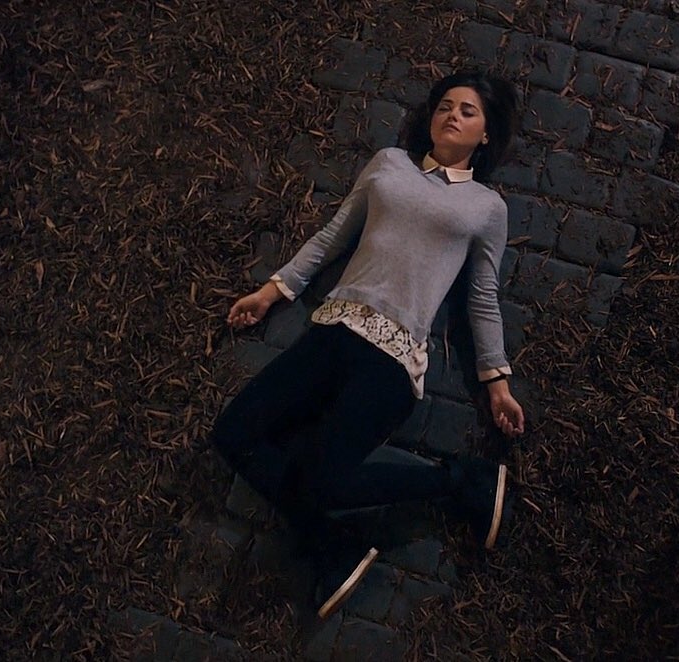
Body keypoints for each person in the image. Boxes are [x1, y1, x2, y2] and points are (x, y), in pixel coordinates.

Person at [210, 71, 526, 620]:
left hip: (392, 358)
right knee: (233, 433)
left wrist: (496, 382)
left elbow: (481, 297)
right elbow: (334, 235)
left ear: (485, 134)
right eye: (445, 105)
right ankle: (334, 543)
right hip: (331, 333)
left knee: (323, 479)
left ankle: (458, 481)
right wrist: (272, 291)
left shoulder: (486, 207)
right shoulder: (389, 164)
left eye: (467, 111)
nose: (451, 115)